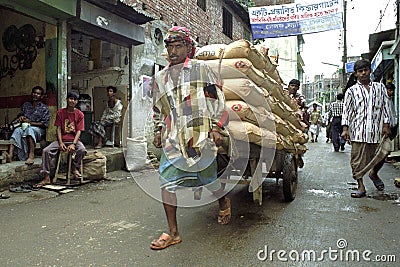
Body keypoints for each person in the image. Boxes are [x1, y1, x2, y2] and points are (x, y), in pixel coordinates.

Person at [150, 26, 230, 250]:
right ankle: (173, 232)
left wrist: (216, 128)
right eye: (170, 46)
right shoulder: (161, 77)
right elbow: (159, 108)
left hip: (200, 135)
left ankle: (222, 200)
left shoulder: (200, 69)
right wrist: (158, 130)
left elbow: (216, 99)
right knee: (166, 181)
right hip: (174, 137)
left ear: (188, 48)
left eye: (178, 46)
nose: (173, 51)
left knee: (208, 179)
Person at [341, 59, 393, 198]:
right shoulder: (351, 91)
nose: (363, 73)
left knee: (384, 152)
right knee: (357, 160)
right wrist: (345, 129)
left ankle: (373, 173)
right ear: (356, 74)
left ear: (370, 70)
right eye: (360, 71)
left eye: (366, 70)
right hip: (358, 131)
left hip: (377, 130)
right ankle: (361, 186)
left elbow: (386, 106)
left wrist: (386, 124)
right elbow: (347, 110)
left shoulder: (380, 87)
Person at [34, 91, 87, 188]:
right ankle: (46, 177)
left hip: (74, 140)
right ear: (67, 99)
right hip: (61, 140)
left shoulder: (80, 114)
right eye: (70, 98)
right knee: (46, 151)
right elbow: (58, 128)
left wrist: (73, 144)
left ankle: (74, 168)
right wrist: (61, 142)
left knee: (82, 150)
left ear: (77, 101)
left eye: (75, 99)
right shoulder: (60, 112)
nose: (72, 101)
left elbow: (79, 131)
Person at [6, 85, 50, 165]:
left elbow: (45, 124)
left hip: (38, 130)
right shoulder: (26, 105)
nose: (35, 95)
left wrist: (29, 122)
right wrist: (21, 117)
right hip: (25, 127)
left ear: (41, 96)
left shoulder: (44, 108)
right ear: (31, 94)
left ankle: (31, 155)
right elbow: (20, 115)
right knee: (17, 130)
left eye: (38, 94)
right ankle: (10, 155)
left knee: (30, 130)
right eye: (34, 93)